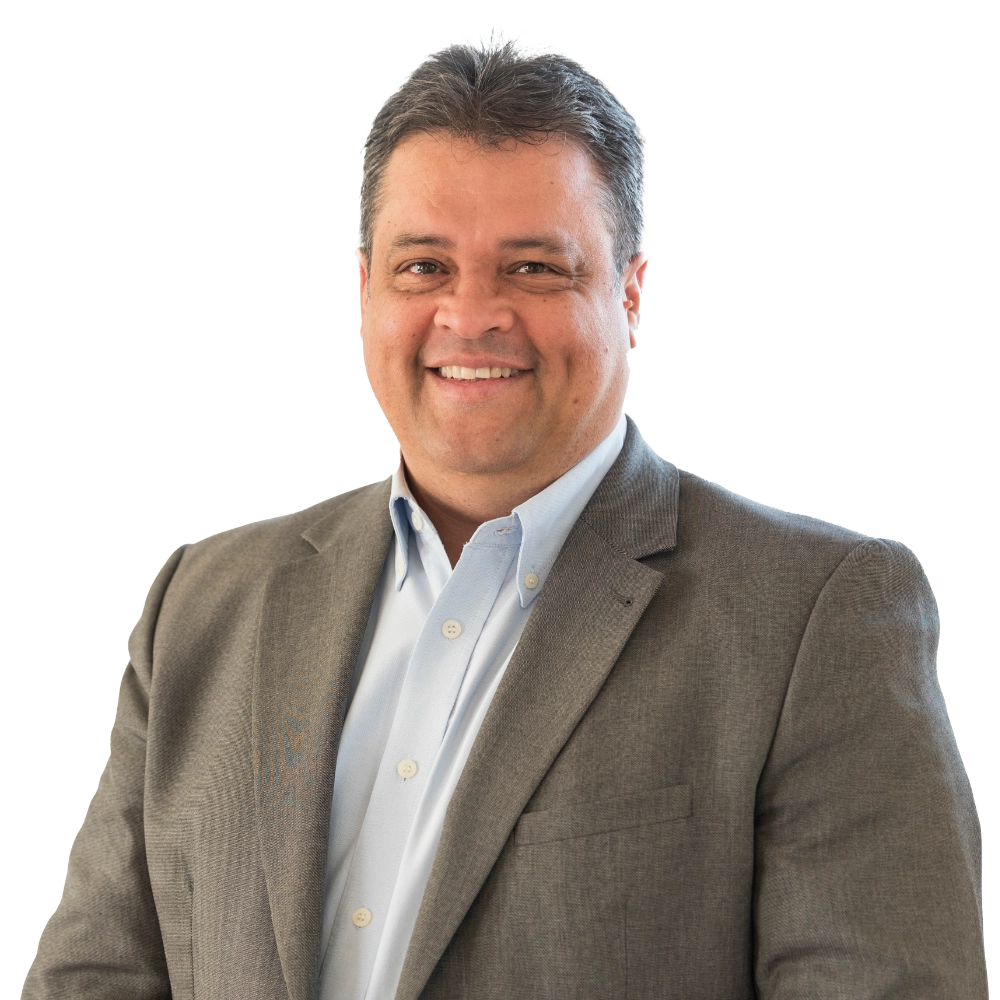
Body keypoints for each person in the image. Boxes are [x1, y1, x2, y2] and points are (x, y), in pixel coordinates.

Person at [24, 28, 986, 1000]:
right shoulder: (203, 600)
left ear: (631, 289)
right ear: (364, 283)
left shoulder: (812, 617)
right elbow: (94, 976)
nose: (471, 313)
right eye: (422, 267)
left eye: (533, 268)